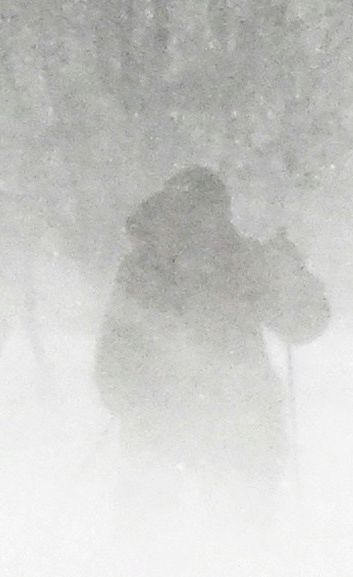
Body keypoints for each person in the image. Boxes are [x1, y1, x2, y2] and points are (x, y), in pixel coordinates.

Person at [95, 164, 332, 487]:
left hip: (180, 429)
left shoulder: (145, 266)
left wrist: (134, 403)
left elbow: (114, 349)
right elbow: (304, 323)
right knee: (234, 530)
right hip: (237, 426)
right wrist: (292, 274)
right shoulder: (242, 259)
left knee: (158, 529)